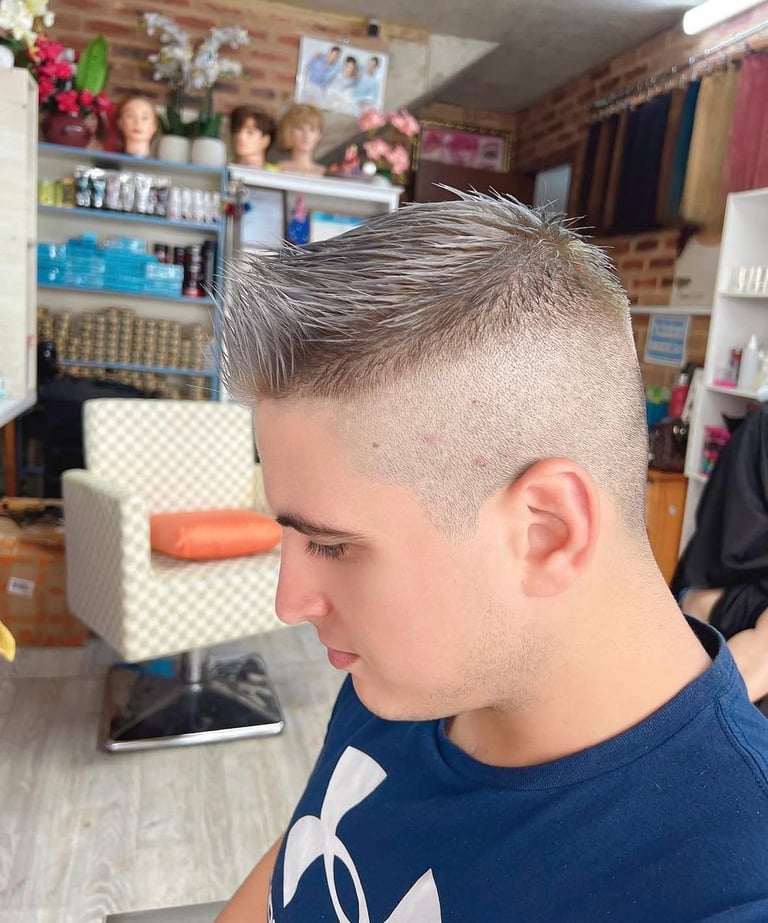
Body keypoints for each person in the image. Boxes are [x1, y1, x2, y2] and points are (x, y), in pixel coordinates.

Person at [217, 191, 768, 922]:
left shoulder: (728, 888)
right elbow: (307, 855)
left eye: (331, 544)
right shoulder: (411, 677)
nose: (290, 601)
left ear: (546, 533)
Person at [276, 104, 325, 177]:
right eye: (300, 128)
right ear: (288, 132)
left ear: (319, 135)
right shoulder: (277, 169)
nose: (306, 135)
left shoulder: (326, 173)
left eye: (312, 129)